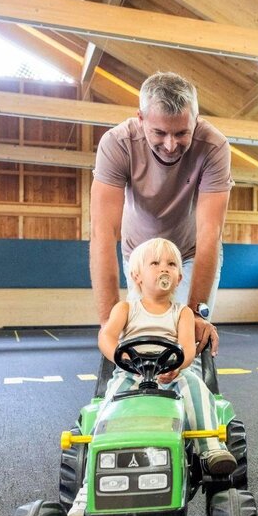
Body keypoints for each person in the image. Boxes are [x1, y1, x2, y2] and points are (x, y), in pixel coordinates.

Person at [68, 238, 237, 516]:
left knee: (196, 387)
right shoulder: (126, 309)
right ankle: (86, 491)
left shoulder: (181, 312)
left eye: (171, 264)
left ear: (179, 277)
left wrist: (178, 366)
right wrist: (120, 359)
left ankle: (210, 448)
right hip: (130, 374)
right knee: (104, 411)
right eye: (156, 263)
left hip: (171, 374)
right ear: (137, 275)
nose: (165, 269)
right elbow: (106, 337)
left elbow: (185, 346)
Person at [90, 71, 233, 357]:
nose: (170, 145)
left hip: (190, 253)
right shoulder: (117, 144)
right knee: (139, 340)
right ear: (141, 119)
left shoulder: (215, 147)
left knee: (186, 337)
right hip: (139, 255)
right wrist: (107, 320)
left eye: (181, 133)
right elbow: (103, 234)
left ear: (196, 119)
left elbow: (210, 233)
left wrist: (195, 313)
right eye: (159, 132)